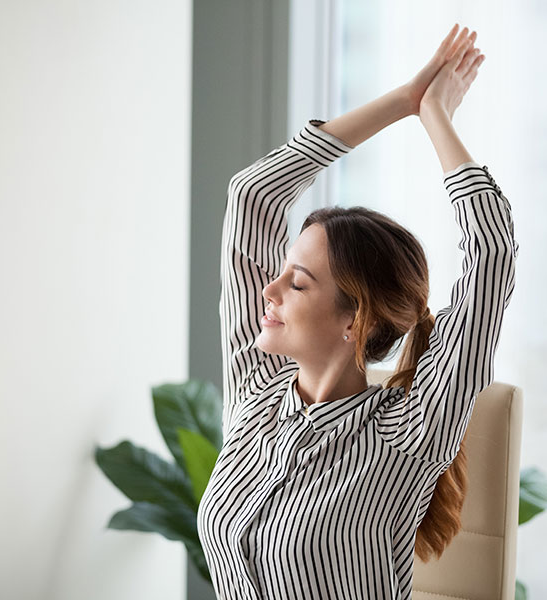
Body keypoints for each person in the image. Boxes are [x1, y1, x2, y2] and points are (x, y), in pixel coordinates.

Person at [196, 24, 519, 600]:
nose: (268, 292)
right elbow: (253, 196)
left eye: (297, 283)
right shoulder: (256, 391)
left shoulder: (407, 431)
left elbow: (491, 253)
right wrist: (403, 102)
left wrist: (437, 118)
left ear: (356, 321)